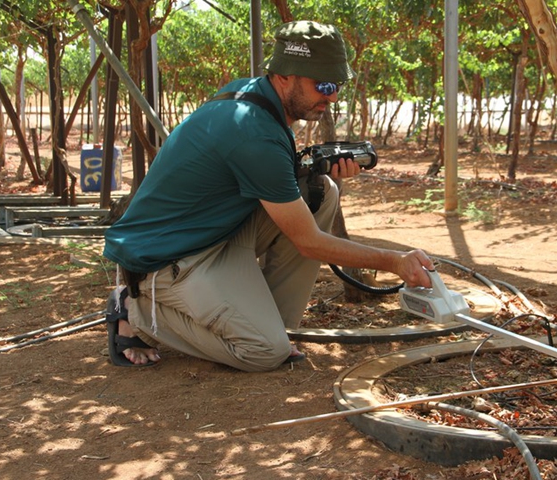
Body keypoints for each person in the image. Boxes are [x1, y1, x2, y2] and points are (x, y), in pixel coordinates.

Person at [102, 20, 433, 371]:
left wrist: (311, 168)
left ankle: (274, 323)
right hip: (166, 260)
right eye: (323, 84)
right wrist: (396, 262)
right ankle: (135, 308)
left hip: (212, 234)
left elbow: (273, 179)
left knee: (319, 192)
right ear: (286, 75)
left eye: (337, 85)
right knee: (263, 351)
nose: (332, 96)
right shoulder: (254, 132)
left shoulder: (252, 96)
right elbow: (308, 242)